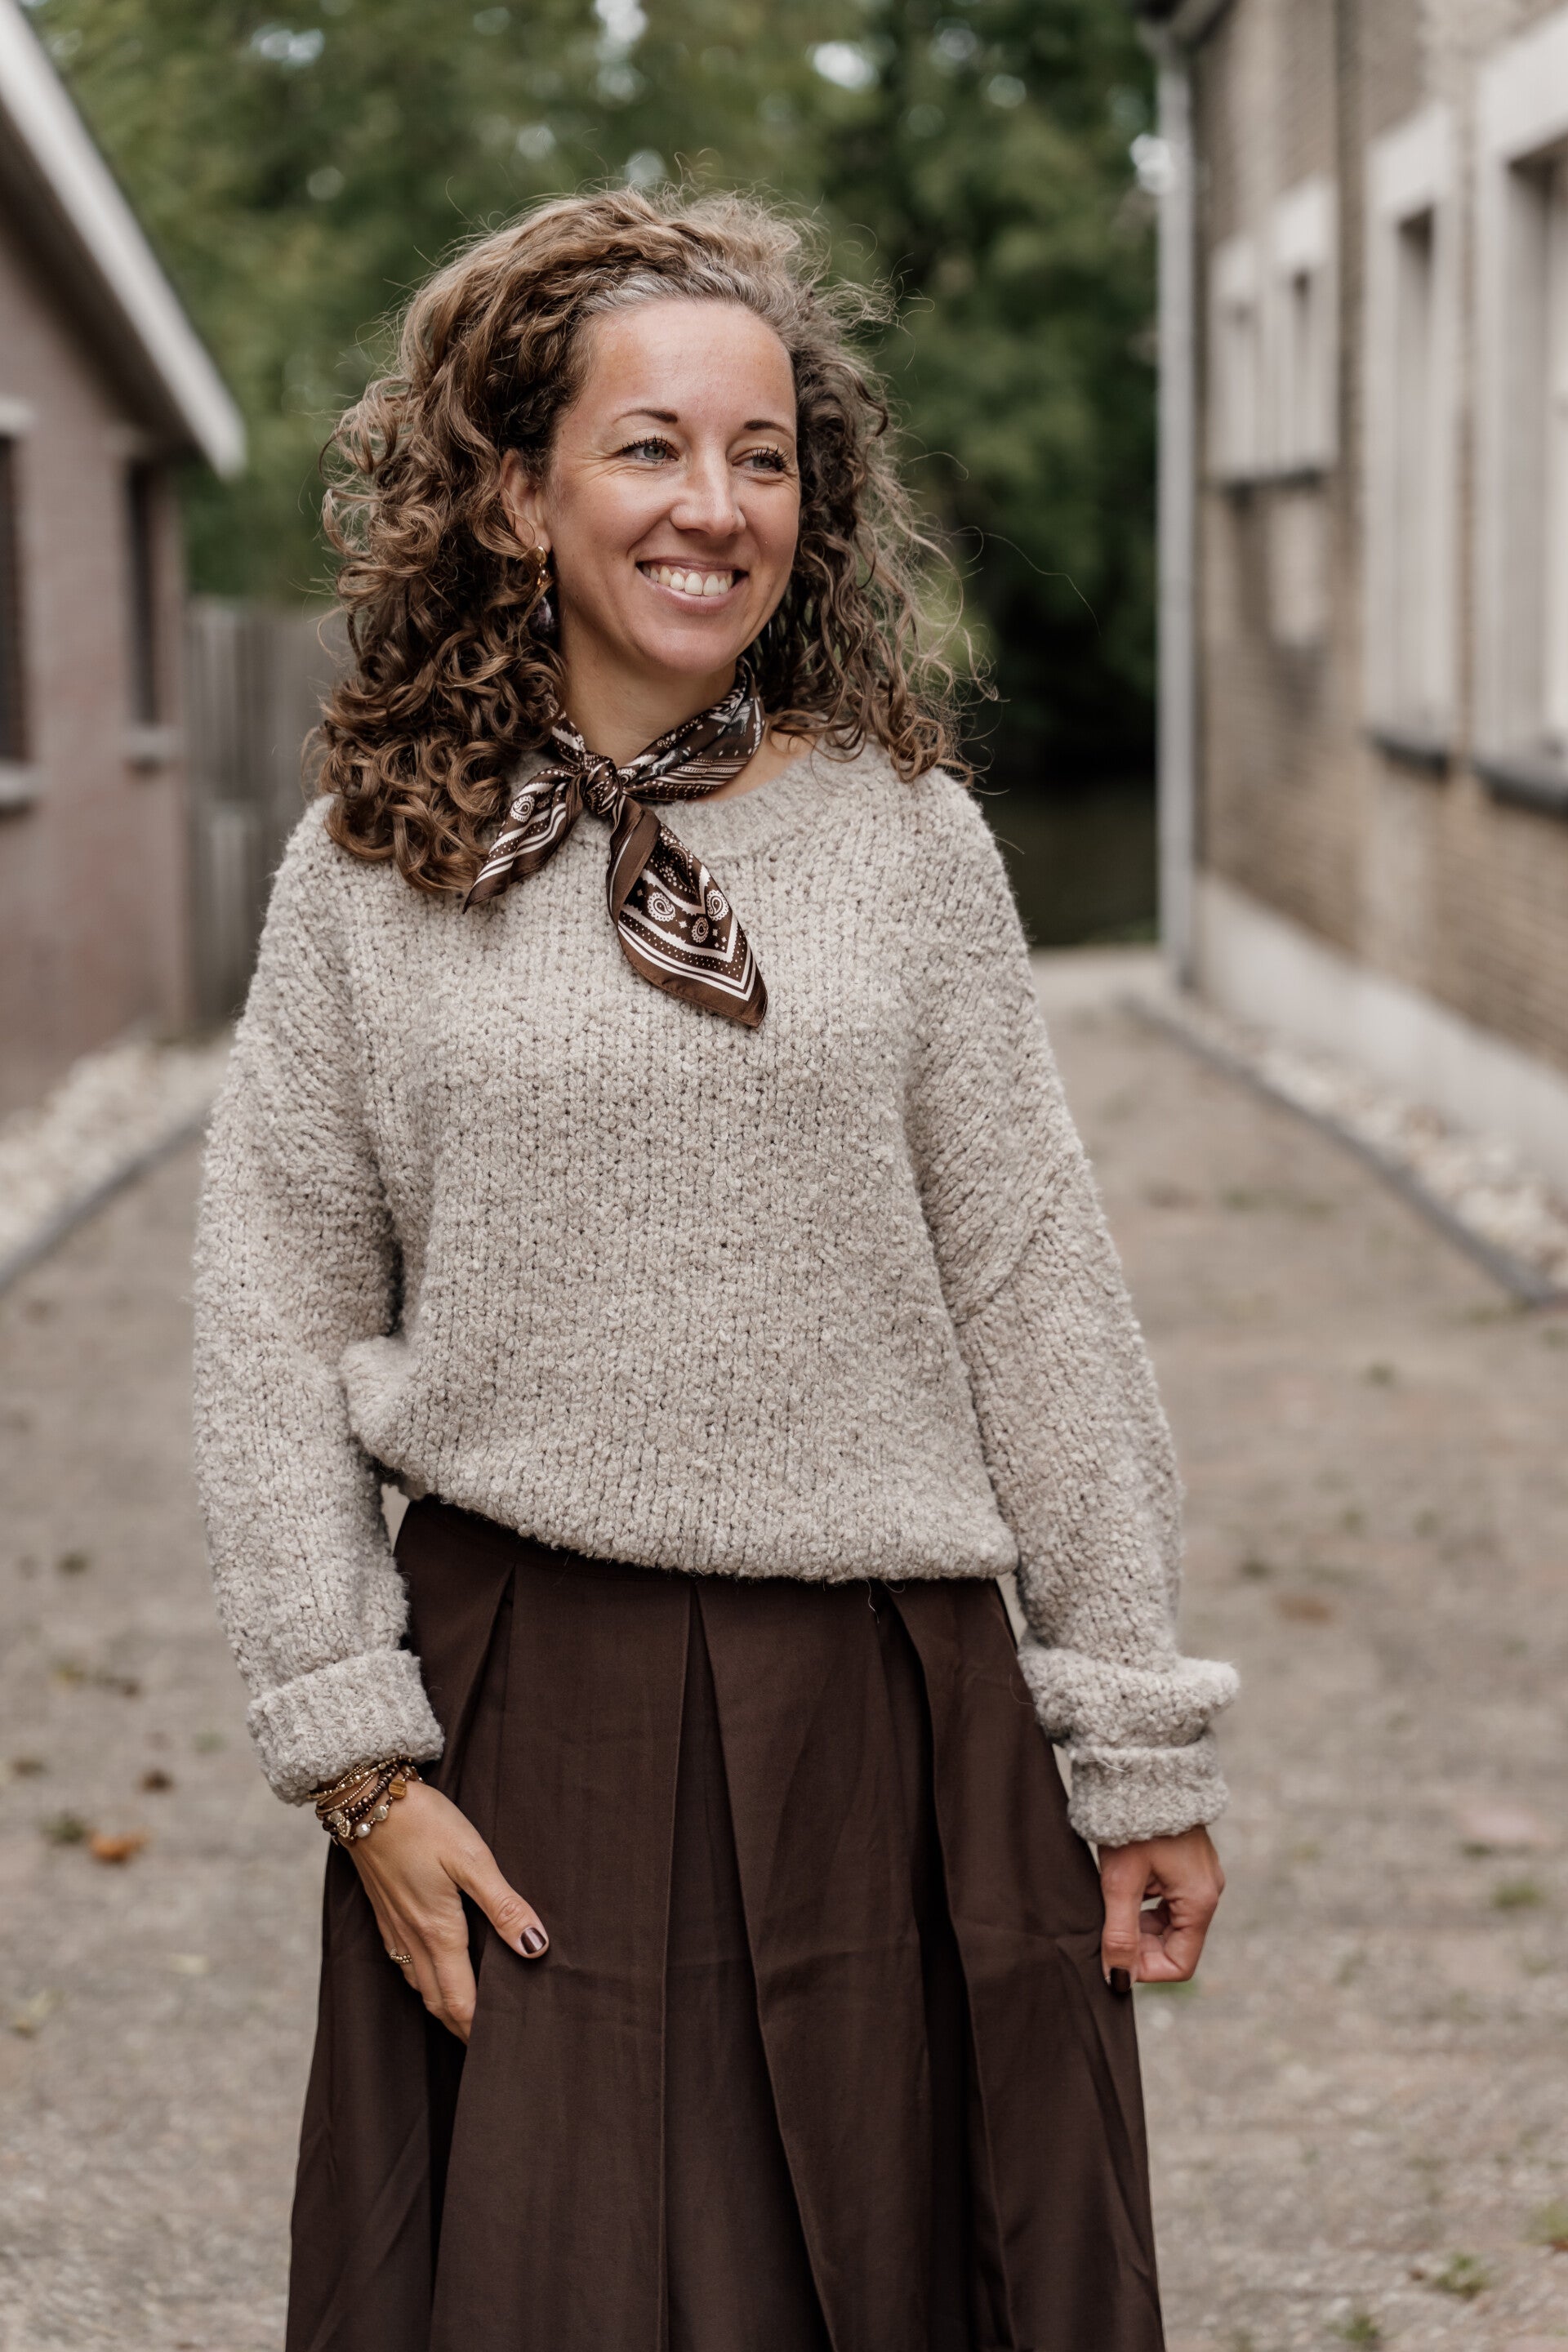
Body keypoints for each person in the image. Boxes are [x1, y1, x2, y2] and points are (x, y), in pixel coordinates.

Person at [193, 186, 1236, 2352]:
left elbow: (1034, 1287)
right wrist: (362, 1769)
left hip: (893, 1719)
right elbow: (277, 1317)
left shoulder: (909, 845)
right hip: (518, 1718)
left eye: (764, 456)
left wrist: (1135, 1745)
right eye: (650, 446)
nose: (715, 505)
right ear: (515, 491)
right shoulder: (370, 874)